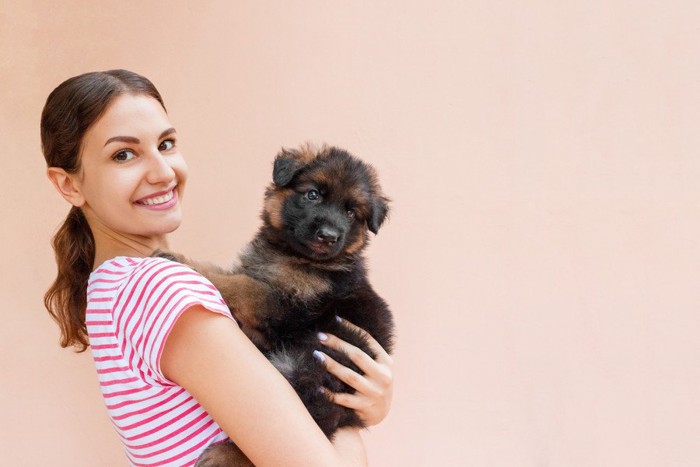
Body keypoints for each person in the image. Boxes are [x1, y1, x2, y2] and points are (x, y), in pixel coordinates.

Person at [41, 69, 393, 466]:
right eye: (124, 154)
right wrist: (355, 417)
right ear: (68, 184)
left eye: (166, 143)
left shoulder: (110, 286)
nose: (162, 172)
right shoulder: (159, 287)